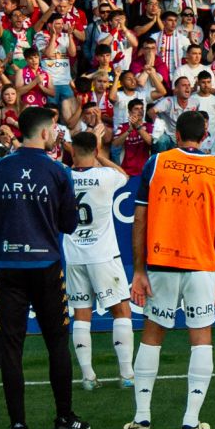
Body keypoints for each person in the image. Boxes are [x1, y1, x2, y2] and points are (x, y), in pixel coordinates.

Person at [0, 105, 87, 429]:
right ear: (44, 132)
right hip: (47, 265)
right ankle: (64, 418)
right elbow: (70, 223)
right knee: (56, 342)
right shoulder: (57, 172)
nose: (55, 133)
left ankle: (18, 427)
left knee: (11, 347)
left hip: (8, 265)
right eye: (53, 129)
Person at [127, 109, 215, 429]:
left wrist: (138, 269)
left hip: (161, 261)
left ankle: (142, 419)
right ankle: (190, 422)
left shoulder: (156, 163)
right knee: (200, 337)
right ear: (206, 135)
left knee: (152, 335)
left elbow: (139, 219)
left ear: (176, 135)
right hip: (201, 263)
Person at [63, 131, 136, 392]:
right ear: (95, 150)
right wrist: (101, 156)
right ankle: (126, 373)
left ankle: (88, 377)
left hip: (73, 255)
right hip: (103, 255)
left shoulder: (64, 176)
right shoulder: (106, 176)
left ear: (72, 151)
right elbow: (124, 175)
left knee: (81, 314)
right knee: (121, 310)